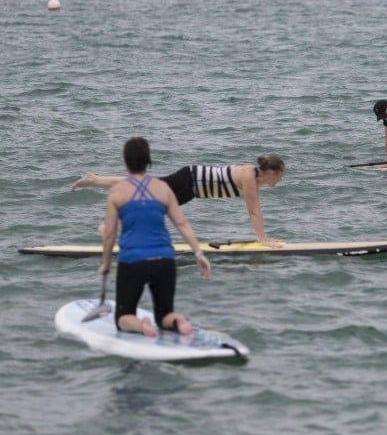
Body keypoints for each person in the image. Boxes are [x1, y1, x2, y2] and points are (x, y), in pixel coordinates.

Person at [99, 137, 212, 337]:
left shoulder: (117, 192)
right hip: (164, 260)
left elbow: (109, 234)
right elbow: (182, 224)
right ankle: (178, 320)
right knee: (164, 315)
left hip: (133, 261)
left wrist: (106, 264)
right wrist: (199, 254)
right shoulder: (163, 188)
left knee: (123, 317)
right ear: (148, 161)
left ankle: (141, 326)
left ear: (125, 162)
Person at [72, 155, 286, 247]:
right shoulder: (250, 177)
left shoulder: (252, 176)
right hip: (189, 182)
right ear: (271, 172)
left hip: (191, 187)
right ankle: (105, 214)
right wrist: (263, 239)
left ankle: (96, 183)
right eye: (280, 175)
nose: (281, 179)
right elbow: (254, 211)